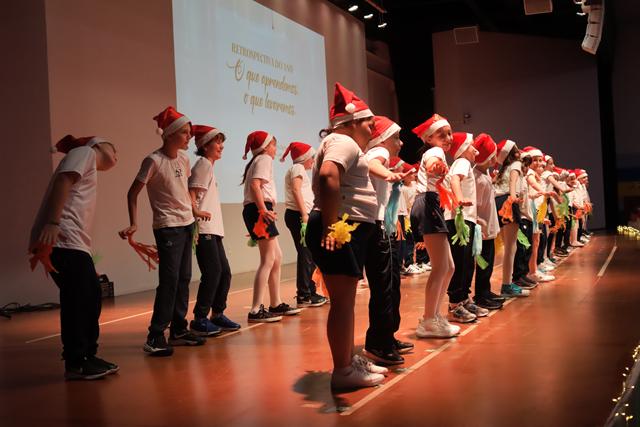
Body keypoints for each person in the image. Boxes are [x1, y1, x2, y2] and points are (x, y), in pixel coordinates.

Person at [306, 82, 387, 389]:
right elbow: (328, 175)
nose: (372, 127)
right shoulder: (343, 141)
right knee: (342, 303)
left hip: (346, 227)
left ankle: (347, 362)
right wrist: (331, 226)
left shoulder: (344, 143)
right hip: (340, 227)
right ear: (351, 121)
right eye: (369, 122)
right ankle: (342, 371)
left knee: (346, 302)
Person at [30, 134, 118, 379]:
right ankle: (77, 361)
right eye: (114, 148)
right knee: (79, 300)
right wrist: (53, 223)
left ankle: (86, 356)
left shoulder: (87, 163)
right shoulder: (84, 153)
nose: (117, 155)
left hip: (73, 242)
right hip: (63, 239)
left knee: (89, 297)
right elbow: (63, 180)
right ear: (98, 144)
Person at [120, 106, 206, 357]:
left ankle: (178, 329)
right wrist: (134, 223)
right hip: (168, 227)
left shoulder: (184, 159)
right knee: (169, 281)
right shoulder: (153, 160)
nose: (189, 136)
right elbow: (132, 193)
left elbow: (182, 190)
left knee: (184, 278)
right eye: (185, 132)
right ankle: (155, 335)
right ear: (169, 134)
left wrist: (194, 211)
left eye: (190, 132)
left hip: (187, 224)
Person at [363, 116, 413, 365]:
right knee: (385, 286)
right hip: (377, 226)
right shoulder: (379, 151)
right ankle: (378, 343)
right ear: (382, 139)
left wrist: (392, 174)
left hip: (381, 226)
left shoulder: (380, 152)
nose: (400, 143)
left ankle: (387, 337)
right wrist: (389, 175)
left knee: (390, 285)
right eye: (396, 137)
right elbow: (372, 164)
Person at [241, 131, 302, 322]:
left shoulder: (258, 160)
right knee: (268, 259)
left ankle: (275, 303)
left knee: (276, 257)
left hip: (259, 209)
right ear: (266, 147)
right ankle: (255, 309)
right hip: (260, 209)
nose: (276, 149)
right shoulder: (264, 159)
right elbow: (255, 185)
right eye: (274, 145)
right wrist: (262, 210)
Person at [410, 114, 461, 338]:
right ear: (429, 138)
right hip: (428, 203)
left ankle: (434, 316)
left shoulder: (436, 151)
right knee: (441, 267)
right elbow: (432, 164)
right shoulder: (435, 152)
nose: (448, 138)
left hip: (432, 204)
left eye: (449, 133)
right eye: (442, 134)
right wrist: (435, 167)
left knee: (449, 267)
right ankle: (428, 320)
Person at [188, 124, 241, 336]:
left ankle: (217, 314)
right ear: (204, 146)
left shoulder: (208, 166)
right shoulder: (203, 164)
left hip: (214, 229)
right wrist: (196, 212)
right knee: (213, 273)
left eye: (221, 143)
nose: (221, 146)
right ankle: (200, 318)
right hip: (204, 229)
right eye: (217, 143)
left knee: (224, 273)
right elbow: (191, 193)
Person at [444, 133, 489, 323]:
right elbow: (455, 179)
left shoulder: (465, 164)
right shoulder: (462, 162)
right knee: (460, 262)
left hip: (465, 219)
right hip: (458, 220)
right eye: (472, 146)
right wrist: (459, 198)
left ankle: (463, 299)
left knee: (468, 262)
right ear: (462, 148)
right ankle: (454, 304)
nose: (476, 150)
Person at [281, 142, 328, 308]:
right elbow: (296, 189)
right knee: (306, 253)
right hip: (298, 216)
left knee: (309, 253)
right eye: (311, 157)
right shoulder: (298, 168)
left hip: (300, 215)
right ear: (304, 158)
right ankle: (305, 294)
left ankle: (309, 292)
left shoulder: (298, 169)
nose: (313, 161)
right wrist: (304, 214)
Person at [471, 133, 505, 310]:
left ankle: (485, 291)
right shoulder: (477, 178)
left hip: (488, 225)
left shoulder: (483, 175)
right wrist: (479, 223)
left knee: (488, 263)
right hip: (483, 227)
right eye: (493, 154)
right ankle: (481, 295)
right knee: (483, 264)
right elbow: (475, 204)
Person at [493, 139, 530, 298]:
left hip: (498, 202)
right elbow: (513, 181)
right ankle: (507, 285)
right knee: (511, 247)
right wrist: (513, 196)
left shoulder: (503, 168)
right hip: (508, 201)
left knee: (508, 246)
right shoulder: (516, 164)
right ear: (514, 153)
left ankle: (507, 283)